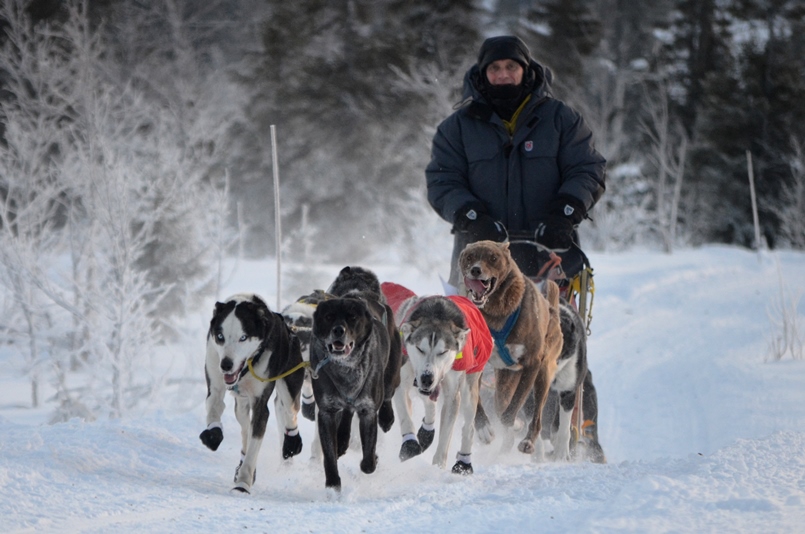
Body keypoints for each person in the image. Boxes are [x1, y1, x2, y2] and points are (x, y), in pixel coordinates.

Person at [426, 35, 606, 287]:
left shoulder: (562, 119)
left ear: (526, 70)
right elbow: (442, 181)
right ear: (482, 73)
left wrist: (564, 212)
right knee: (472, 315)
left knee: (552, 314)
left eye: (511, 66)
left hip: (551, 256)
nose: (503, 75)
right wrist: (473, 218)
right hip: (479, 261)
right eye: (494, 68)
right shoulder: (455, 128)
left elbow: (586, 169)